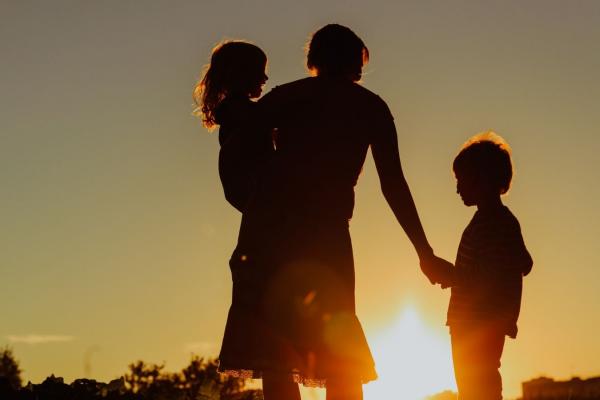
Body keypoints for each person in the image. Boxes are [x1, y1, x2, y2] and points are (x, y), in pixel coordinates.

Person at [216, 24, 444, 400]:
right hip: (327, 235)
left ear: (313, 59)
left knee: (277, 355)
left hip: (271, 234)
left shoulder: (288, 97)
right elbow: (394, 186)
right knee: (338, 352)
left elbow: (235, 137)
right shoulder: (370, 107)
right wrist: (424, 251)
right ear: (357, 62)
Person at [422, 132, 533, 400]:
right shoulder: (501, 221)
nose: (458, 189)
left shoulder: (491, 223)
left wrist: (452, 275)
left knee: (477, 387)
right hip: (479, 322)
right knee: (478, 385)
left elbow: (487, 279)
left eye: (462, 181)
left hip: (477, 323)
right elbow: (524, 262)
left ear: (482, 180)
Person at [194, 40, 273, 212]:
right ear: (241, 73)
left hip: (258, 203)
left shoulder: (233, 113)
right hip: (263, 201)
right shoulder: (243, 113)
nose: (265, 78)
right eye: (259, 71)